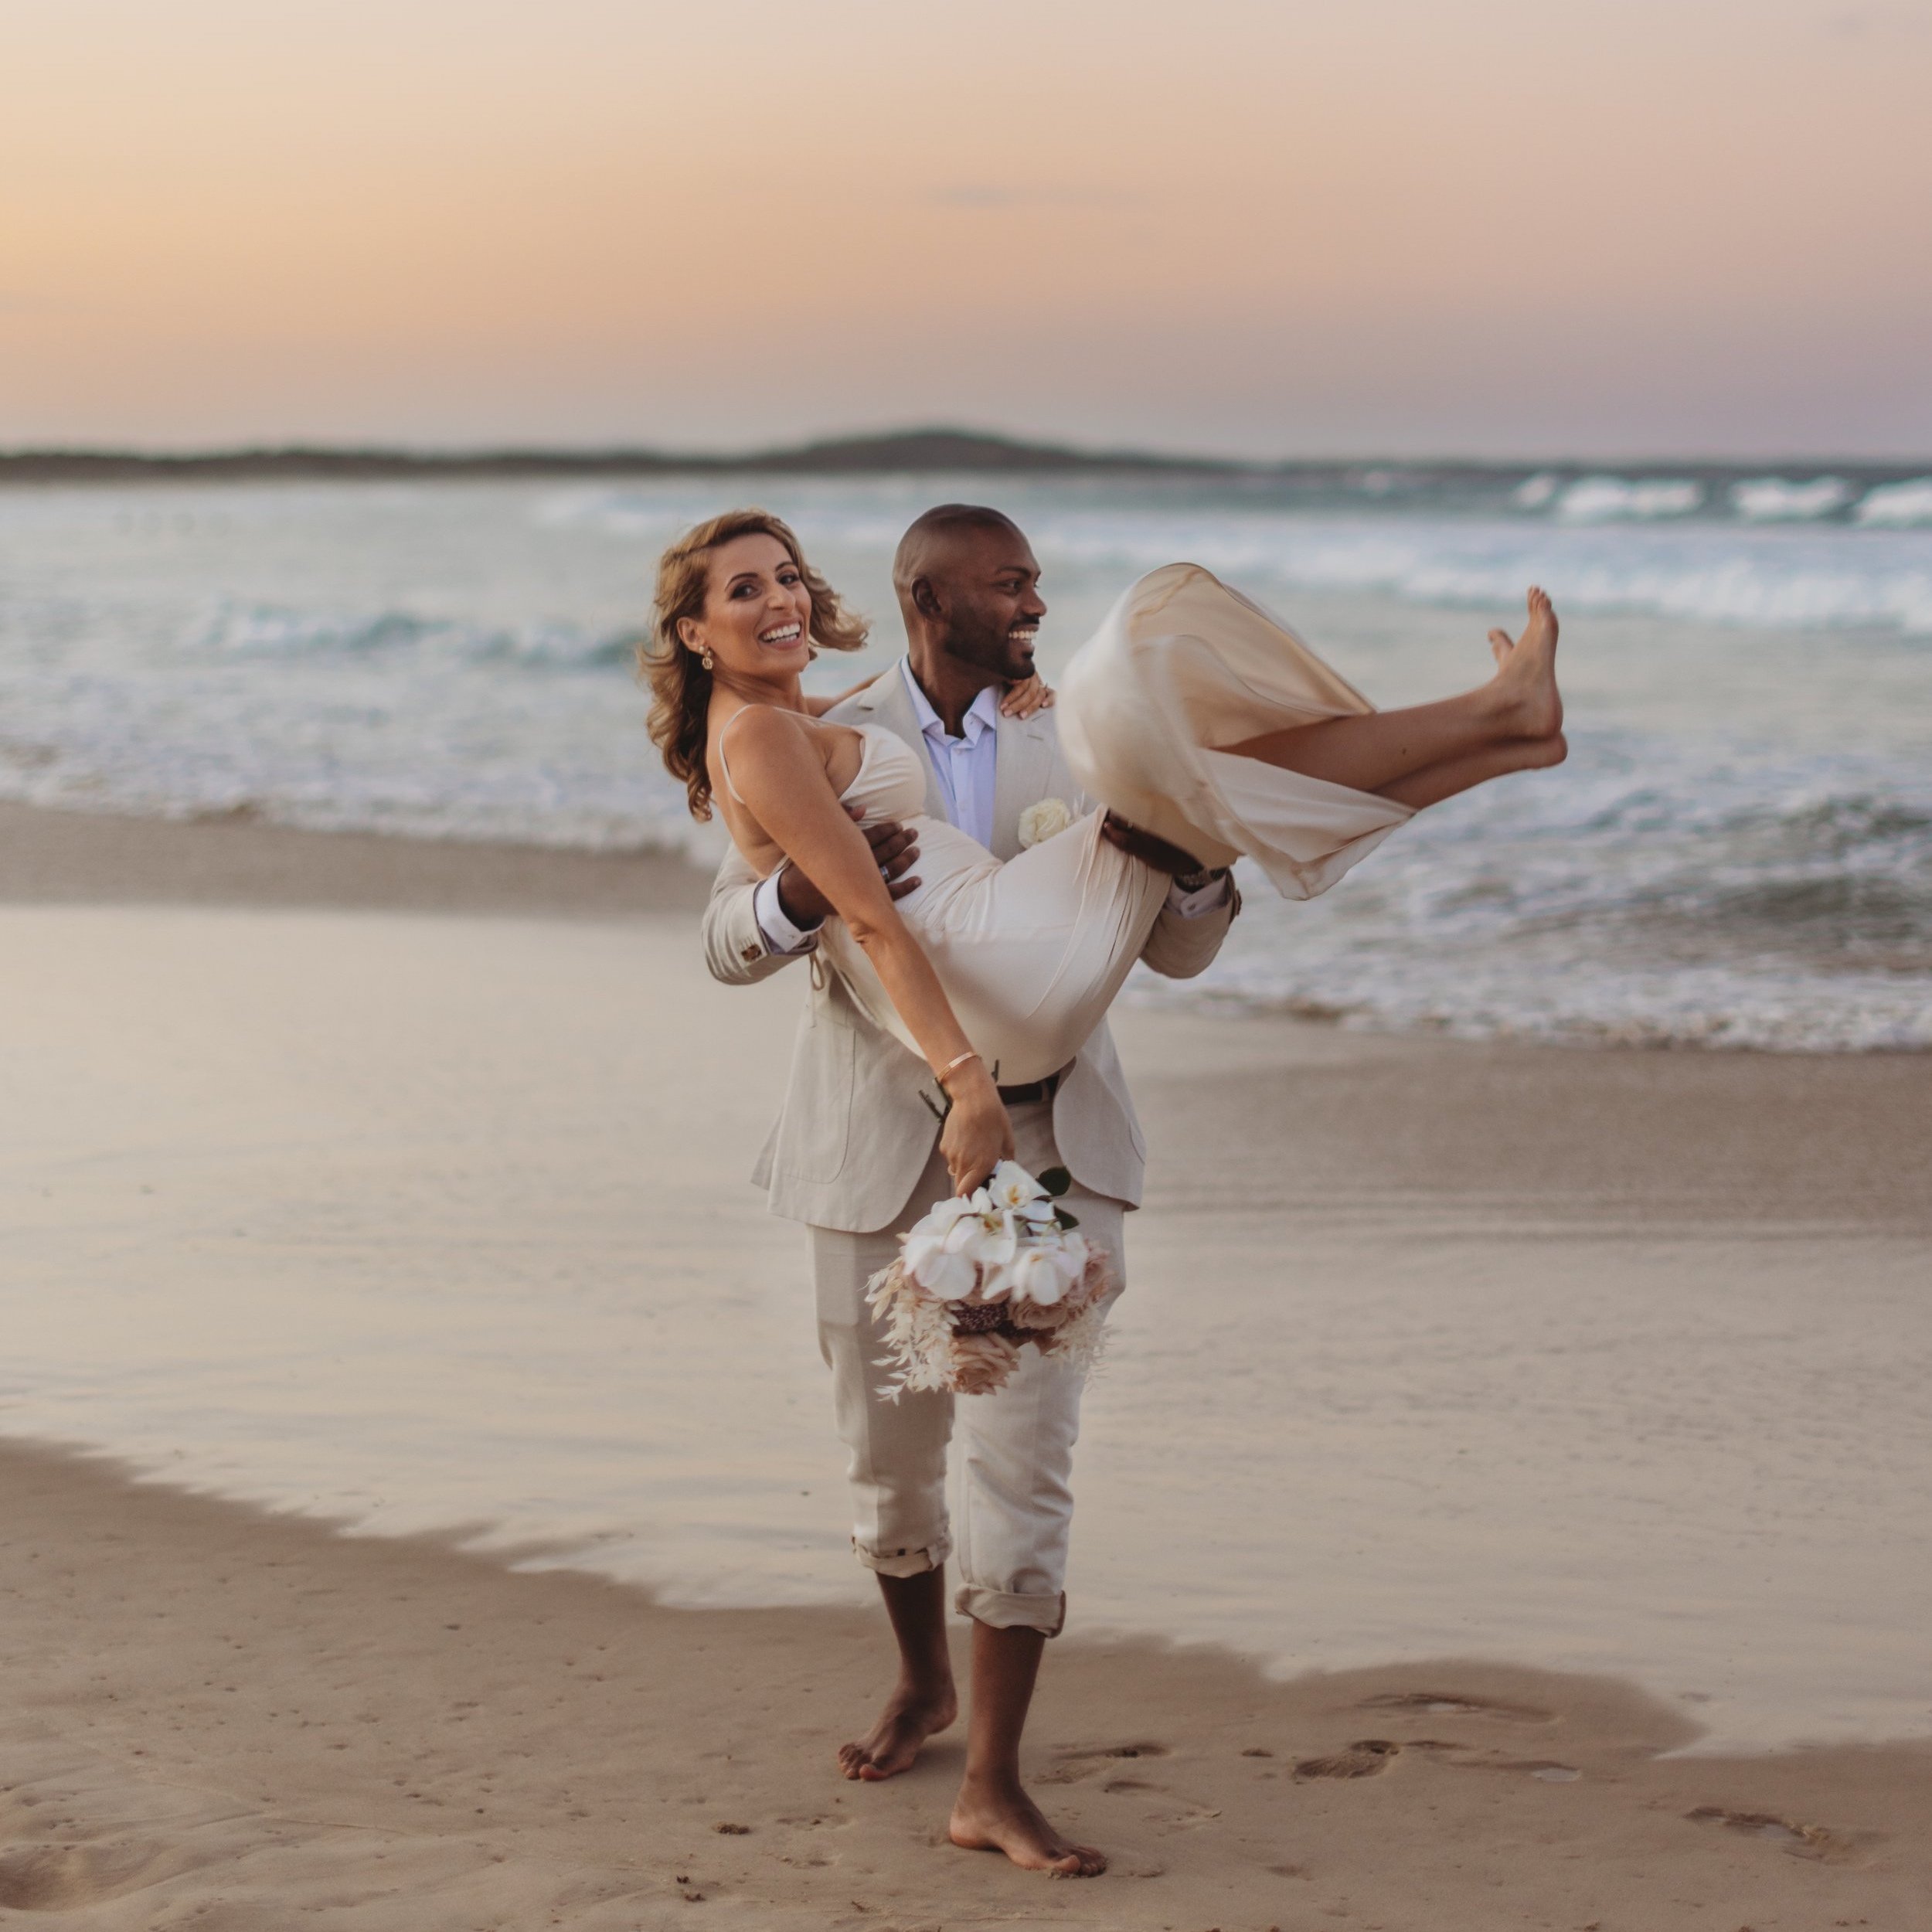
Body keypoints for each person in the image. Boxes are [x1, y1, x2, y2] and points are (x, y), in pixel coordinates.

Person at [662, 504, 1563, 1876]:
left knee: (1027, 1466)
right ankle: (923, 1682)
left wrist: (1188, 857)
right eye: (1007, 586)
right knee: (889, 1467)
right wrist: (792, 903)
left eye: (789, 579)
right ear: (928, 599)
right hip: (880, 1133)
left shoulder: (1049, 728)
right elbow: (743, 934)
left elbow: (1186, 949)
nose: (1031, 605)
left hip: (1052, 1116)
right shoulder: (805, 722)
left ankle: (999, 1782)